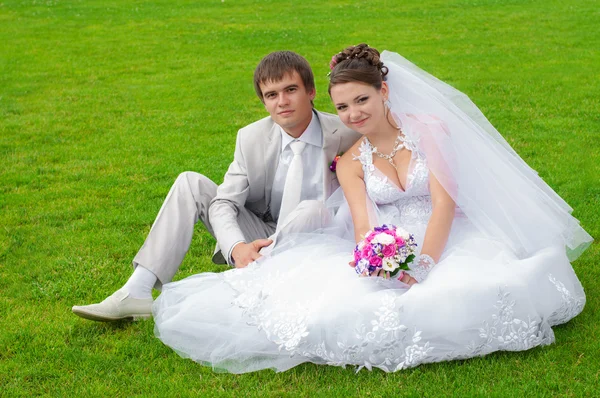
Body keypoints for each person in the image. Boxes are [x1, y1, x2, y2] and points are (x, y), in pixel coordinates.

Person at [151, 44, 593, 373]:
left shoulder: (429, 130)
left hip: (450, 235)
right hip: (393, 236)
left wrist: (423, 263)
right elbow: (363, 226)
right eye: (342, 106)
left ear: (384, 92)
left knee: (481, 289)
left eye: (362, 100)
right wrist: (375, 259)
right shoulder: (350, 162)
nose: (353, 113)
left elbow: (444, 204)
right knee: (346, 306)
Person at [71, 51, 360, 322]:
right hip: (265, 236)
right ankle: (136, 291)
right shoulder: (252, 138)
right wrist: (237, 248)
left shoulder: (346, 133)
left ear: (311, 92)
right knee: (190, 182)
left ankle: (261, 282)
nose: (282, 101)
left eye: (290, 90)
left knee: (311, 208)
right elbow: (223, 203)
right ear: (264, 102)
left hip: (322, 236)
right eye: (271, 95)